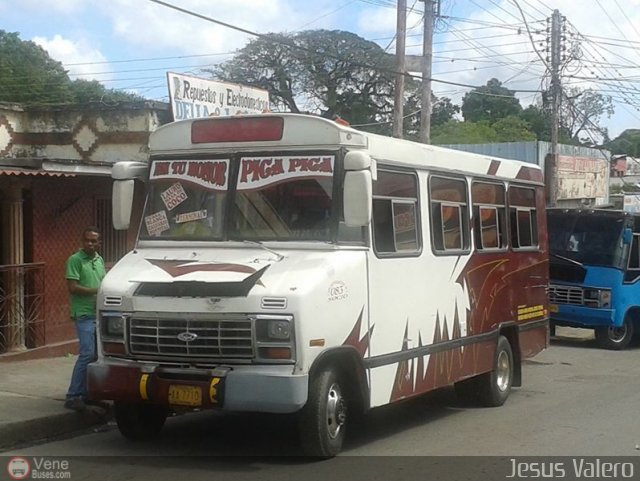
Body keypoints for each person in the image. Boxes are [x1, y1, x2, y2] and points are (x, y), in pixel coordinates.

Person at [64, 227, 106, 411]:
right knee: (87, 354)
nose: (90, 243)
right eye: (87, 240)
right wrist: (98, 292)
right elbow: (72, 287)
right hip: (83, 314)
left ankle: (87, 394)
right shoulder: (75, 260)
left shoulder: (99, 259)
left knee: (97, 356)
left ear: (99, 243)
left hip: (97, 313)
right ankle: (73, 396)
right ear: (82, 242)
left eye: (93, 241)